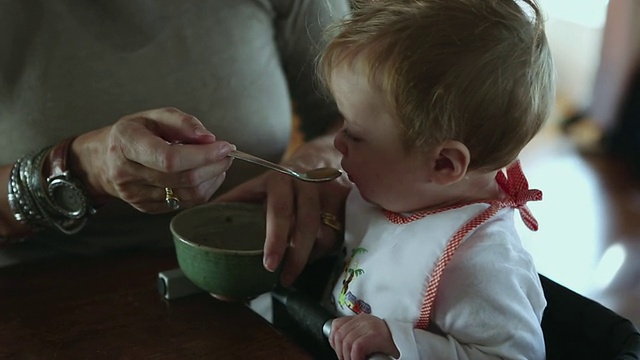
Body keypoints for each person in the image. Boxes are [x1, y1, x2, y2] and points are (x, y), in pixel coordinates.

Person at [0, 0, 352, 287]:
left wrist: (320, 161)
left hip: (254, 279)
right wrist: (80, 171)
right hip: (40, 293)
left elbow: (366, 113)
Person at [316, 0, 556, 358]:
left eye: (355, 133)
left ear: (444, 164)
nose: (337, 143)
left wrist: (399, 341)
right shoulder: (402, 192)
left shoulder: (478, 266)